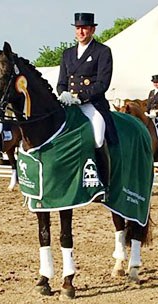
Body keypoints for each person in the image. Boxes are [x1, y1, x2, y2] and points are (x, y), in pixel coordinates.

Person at [57, 12, 115, 201]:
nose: (81, 31)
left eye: (85, 28)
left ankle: (105, 185)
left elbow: (102, 84)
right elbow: (61, 82)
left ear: (92, 29)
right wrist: (63, 94)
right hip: (69, 105)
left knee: (98, 138)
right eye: (78, 28)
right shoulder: (67, 54)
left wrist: (80, 97)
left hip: (92, 105)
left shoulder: (102, 51)